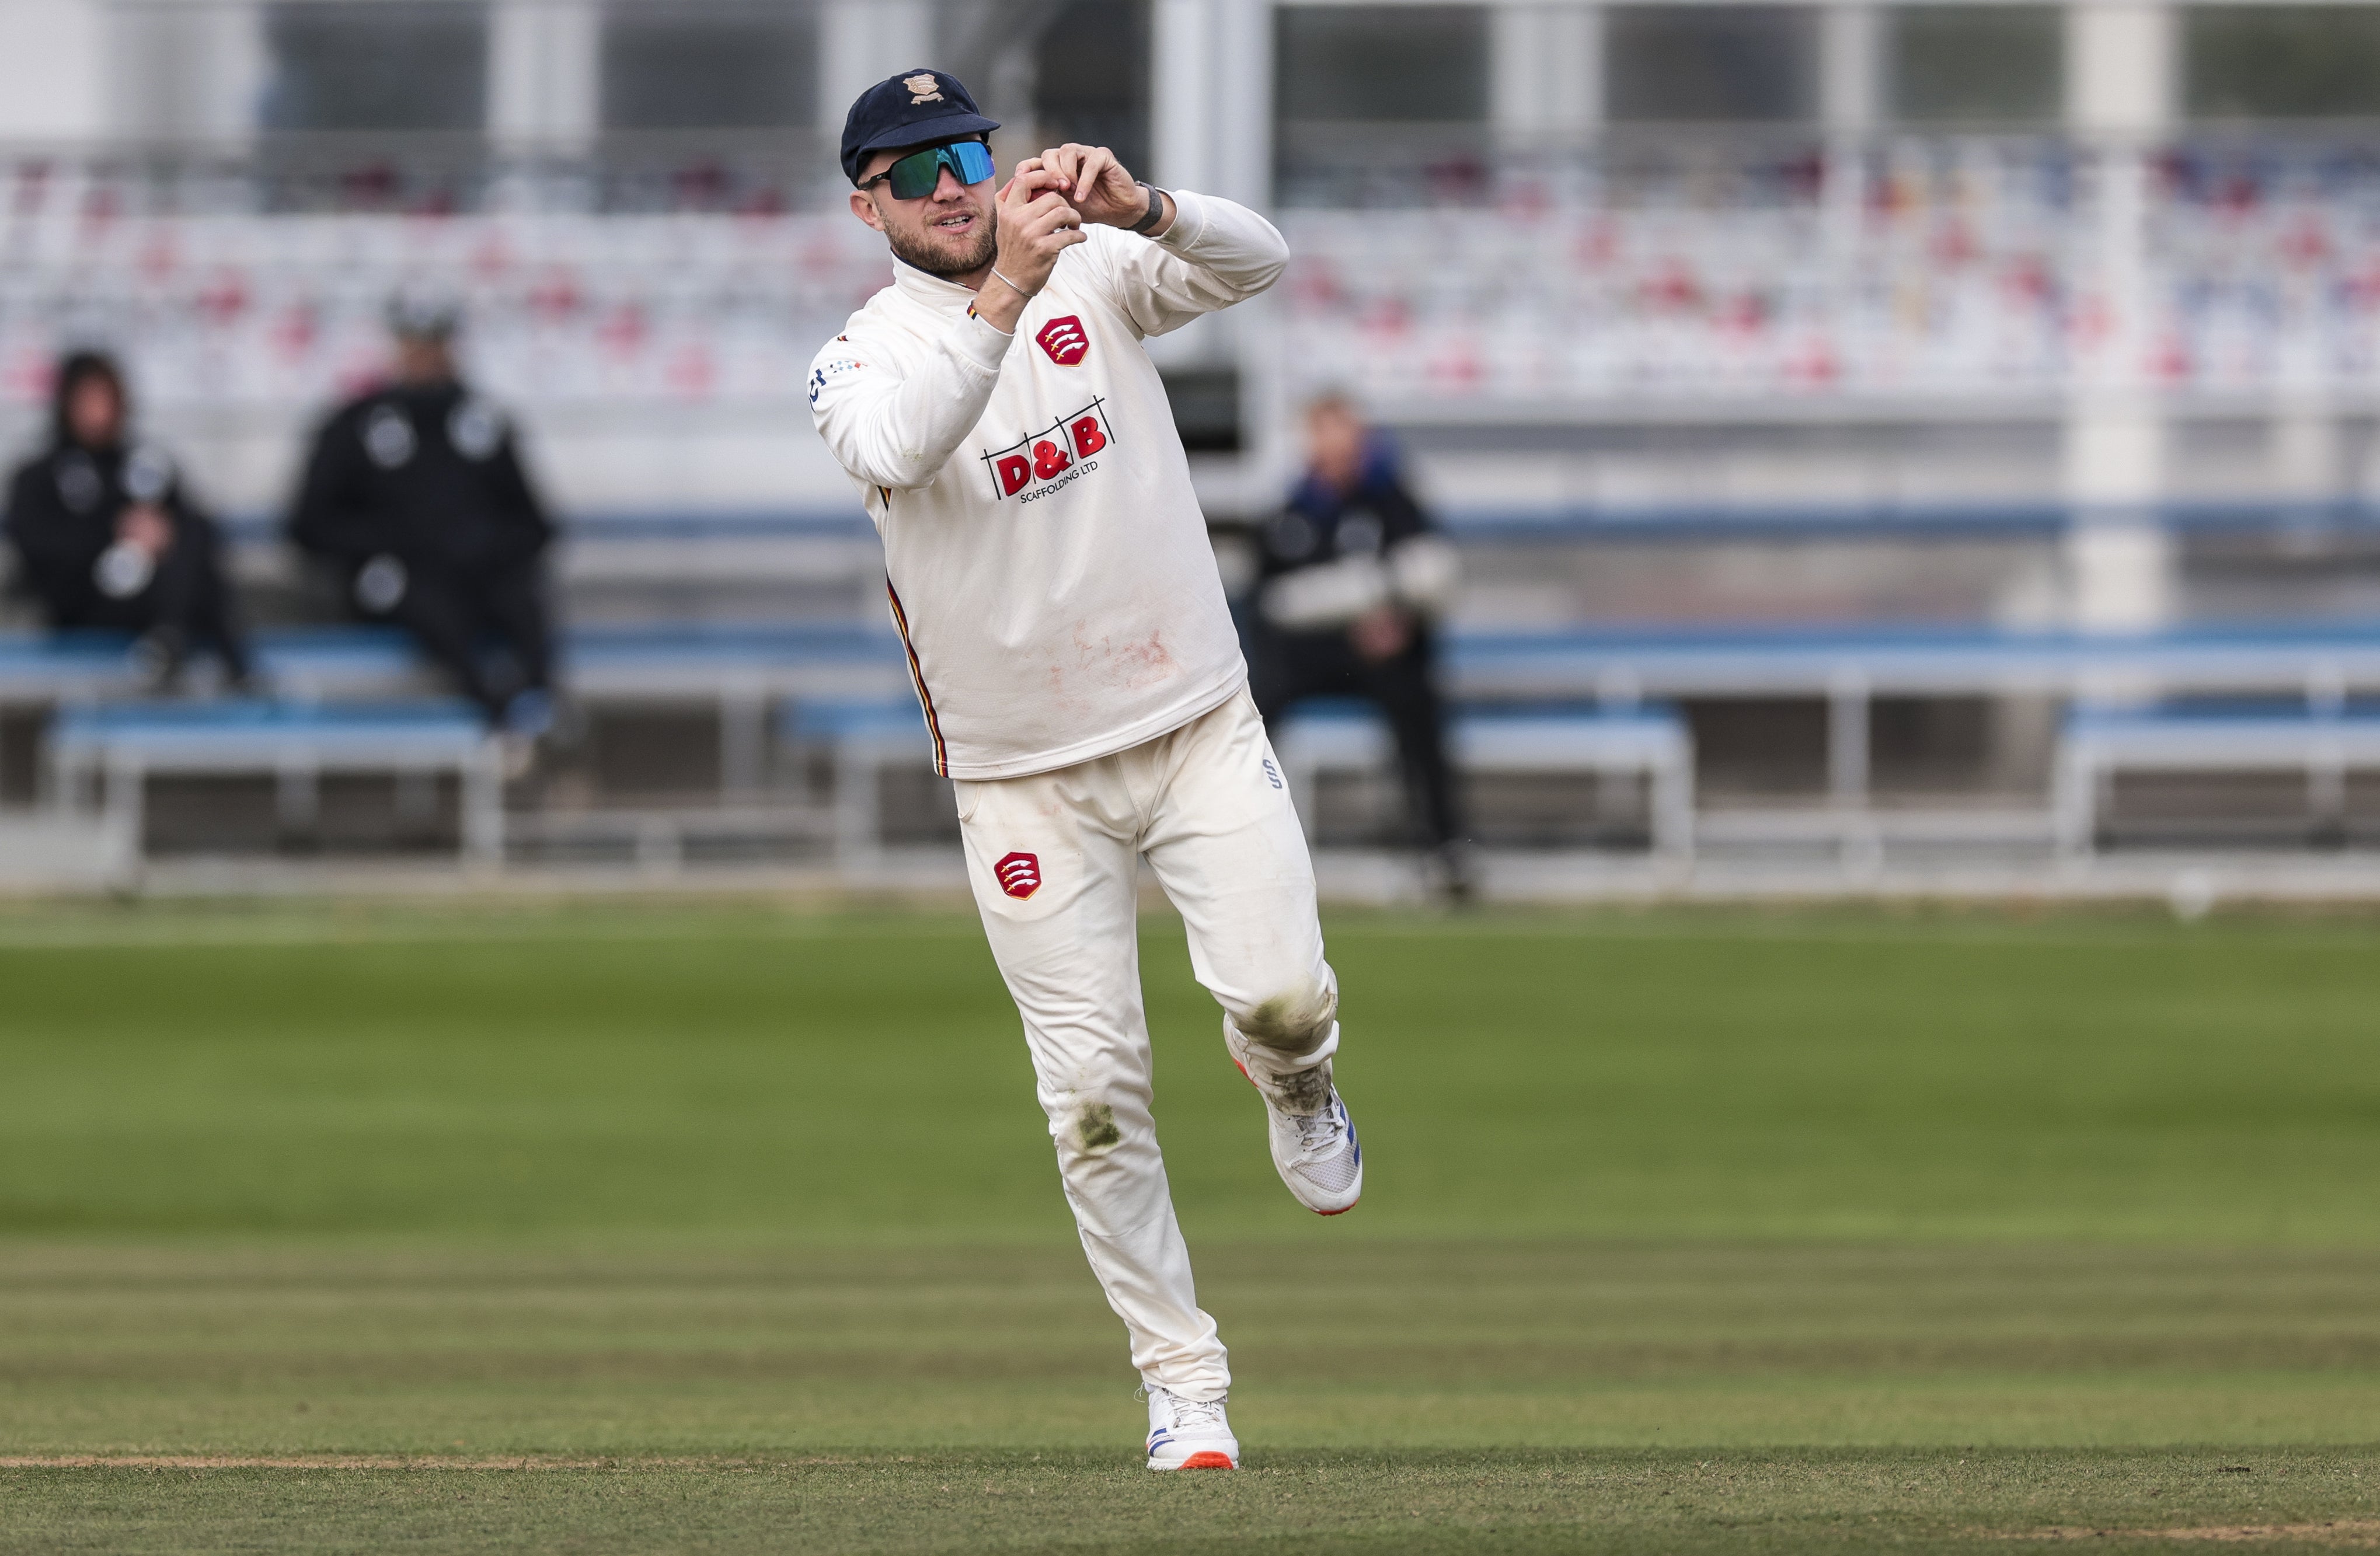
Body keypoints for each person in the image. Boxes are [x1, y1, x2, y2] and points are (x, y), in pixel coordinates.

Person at [809, 69, 1353, 1474]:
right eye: (913, 169)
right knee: (1094, 1092)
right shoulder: (860, 356)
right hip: (1021, 777)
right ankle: (1186, 1382)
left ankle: (1294, 1073)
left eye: (966, 153)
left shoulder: (1095, 265)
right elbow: (899, 443)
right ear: (864, 200)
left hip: (1190, 720)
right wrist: (1005, 295)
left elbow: (1260, 261)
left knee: (1282, 997)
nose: (951, 185)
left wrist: (1149, 206)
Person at [290, 296, 556, 734]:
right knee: (423, 598)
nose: (426, 356)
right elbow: (309, 525)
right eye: (415, 344)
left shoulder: (482, 422)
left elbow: (535, 524)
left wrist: (483, 543)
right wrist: (391, 541)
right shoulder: (356, 425)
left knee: (520, 594)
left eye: (435, 343)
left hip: (473, 574)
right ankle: (496, 709)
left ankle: (541, 704)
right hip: (397, 578)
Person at [1246, 394, 1469, 896]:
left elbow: (1431, 576)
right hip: (1311, 658)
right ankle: (1249, 847)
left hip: (1383, 656)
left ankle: (1443, 848)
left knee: (1418, 699)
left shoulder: (1394, 500)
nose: (1336, 445)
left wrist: (1392, 616)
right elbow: (1272, 602)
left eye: (1345, 432)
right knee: (1251, 707)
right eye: (1324, 432)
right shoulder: (1290, 513)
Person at [4, 351, 254, 690]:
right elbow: (36, 546)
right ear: (66, 403)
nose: (97, 410)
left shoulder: (145, 464)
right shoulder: (39, 475)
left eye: (104, 398)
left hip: (153, 596)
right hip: (84, 604)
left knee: (191, 533)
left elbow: (202, 532)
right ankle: (215, 654)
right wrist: (116, 534)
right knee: (196, 587)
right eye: (87, 399)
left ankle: (172, 638)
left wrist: (159, 535)